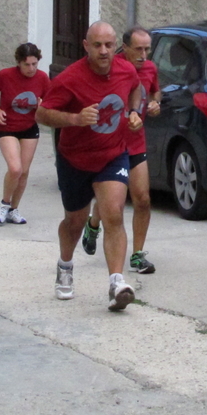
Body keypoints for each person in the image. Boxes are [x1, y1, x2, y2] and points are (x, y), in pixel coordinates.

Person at [36, 21, 143, 310]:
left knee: (113, 213)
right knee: (75, 222)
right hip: (75, 159)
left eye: (109, 45)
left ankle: (117, 283)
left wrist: (134, 111)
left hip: (112, 155)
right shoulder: (70, 78)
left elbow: (135, 87)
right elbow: (42, 114)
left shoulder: (125, 69)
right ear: (86, 46)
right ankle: (65, 266)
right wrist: (74, 119)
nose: (104, 51)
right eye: (97, 45)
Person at [82, 26, 162, 274]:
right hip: (112, 145)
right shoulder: (109, 67)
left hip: (136, 142)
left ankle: (137, 255)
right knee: (112, 204)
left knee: (143, 199)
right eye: (138, 49)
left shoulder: (149, 69)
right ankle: (93, 224)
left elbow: (155, 90)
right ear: (124, 48)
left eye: (147, 49)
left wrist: (156, 102)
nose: (144, 54)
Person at [0, 42, 51, 225]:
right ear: (19, 63)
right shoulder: (5, 75)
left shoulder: (43, 78)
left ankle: (14, 209)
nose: (31, 68)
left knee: (25, 172)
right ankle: (4, 204)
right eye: (27, 64)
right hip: (7, 127)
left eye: (35, 64)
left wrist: (43, 104)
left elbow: (52, 102)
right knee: (15, 168)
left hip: (29, 127)